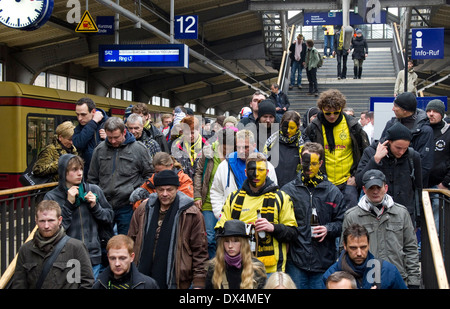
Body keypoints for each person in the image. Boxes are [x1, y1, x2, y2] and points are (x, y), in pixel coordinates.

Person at [215, 152, 297, 274]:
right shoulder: (234, 198)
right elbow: (220, 231)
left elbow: (293, 233)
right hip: (241, 267)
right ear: (245, 172)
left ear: (267, 172)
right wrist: (240, 230)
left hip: (272, 270)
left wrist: (273, 227)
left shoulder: (281, 198)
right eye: (252, 169)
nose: (256, 174)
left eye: (261, 170)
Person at [128, 169, 209, 289]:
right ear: (156, 190)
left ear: (177, 189)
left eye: (169, 190)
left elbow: (200, 251)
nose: (165, 194)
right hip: (143, 276)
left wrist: (199, 282)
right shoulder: (144, 209)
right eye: (161, 190)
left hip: (177, 278)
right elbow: (130, 241)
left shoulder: (191, 214)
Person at [281, 142, 346, 289]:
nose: (309, 167)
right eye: (306, 162)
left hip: (323, 261)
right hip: (296, 261)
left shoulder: (332, 192)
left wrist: (328, 229)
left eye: (314, 163)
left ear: (321, 163)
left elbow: (342, 222)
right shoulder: (288, 191)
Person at [343, 169, 421, 288]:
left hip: (398, 279)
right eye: (371, 188)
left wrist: (414, 282)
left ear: (386, 187)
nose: (375, 191)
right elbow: (343, 252)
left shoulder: (401, 213)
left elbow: (411, 249)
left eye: (378, 188)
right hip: (364, 280)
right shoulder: (352, 216)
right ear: (364, 190)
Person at [44, 154, 114, 278]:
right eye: (74, 170)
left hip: (93, 255)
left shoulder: (93, 190)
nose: (80, 173)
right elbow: (52, 229)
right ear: (63, 173)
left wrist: (95, 207)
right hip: (68, 258)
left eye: (81, 169)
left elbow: (109, 218)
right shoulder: (52, 197)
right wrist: (68, 205)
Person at [304, 89, 370, 210]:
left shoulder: (353, 126)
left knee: (349, 219)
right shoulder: (314, 127)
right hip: (323, 182)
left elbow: (365, 153)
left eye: (336, 112)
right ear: (321, 109)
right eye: (328, 113)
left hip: (348, 183)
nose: (332, 116)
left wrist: (356, 176)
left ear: (341, 109)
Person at [88, 117, 153, 235]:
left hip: (127, 206)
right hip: (104, 205)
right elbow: (93, 177)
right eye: (109, 137)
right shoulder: (100, 150)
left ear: (124, 132)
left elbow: (150, 175)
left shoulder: (139, 149)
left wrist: (139, 193)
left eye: (116, 137)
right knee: (104, 242)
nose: (112, 141)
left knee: (126, 241)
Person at [11, 200, 94, 289]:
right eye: (42, 221)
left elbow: (87, 282)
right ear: (36, 221)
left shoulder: (76, 247)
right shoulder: (26, 249)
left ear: (59, 220)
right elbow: (19, 284)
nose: (46, 226)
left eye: (51, 220)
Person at [356, 122, 422, 225]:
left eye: (405, 148)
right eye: (398, 148)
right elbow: (359, 181)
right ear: (389, 142)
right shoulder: (371, 152)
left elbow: (418, 187)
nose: (401, 152)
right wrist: (376, 159)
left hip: (405, 214)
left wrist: (418, 217)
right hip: (375, 214)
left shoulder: (413, 156)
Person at [210, 130, 278, 219]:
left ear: (254, 146)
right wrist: (220, 214)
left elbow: (273, 193)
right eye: (238, 147)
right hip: (230, 220)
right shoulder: (224, 166)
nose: (241, 151)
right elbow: (216, 191)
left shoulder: (267, 166)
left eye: (245, 147)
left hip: (258, 220)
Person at [194, 128, 236, 258]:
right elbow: (198, 173)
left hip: (229, 202)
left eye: (230, 147)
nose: (227, 151)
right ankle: (213, 264)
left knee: (226, 235)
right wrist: (197, 196)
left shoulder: (236, 157)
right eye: (224, 147)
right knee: (210, 237)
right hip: (208, 202)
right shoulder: (208, 153)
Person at [323, 224, 407, 289]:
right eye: (353, 248)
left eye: (363, 247)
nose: (359, 253)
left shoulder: (387, 271)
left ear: (369, 245)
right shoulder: (331, 275)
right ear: (345, 246)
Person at [380, 91, 434, 188]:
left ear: (405, 110)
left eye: (395, 106)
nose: (393, 109)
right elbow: (380, 148)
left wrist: (409, 185)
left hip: (410, 187)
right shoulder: (391, 124)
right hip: (388, 185)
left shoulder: (425, 130)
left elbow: (425, 164)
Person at [205, 219, 267, 289]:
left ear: (243, 243)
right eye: (227, 241)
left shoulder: (257, 268)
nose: (230, 246)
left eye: (235, 241)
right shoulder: (214, 267)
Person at [93, 235, 159, 289]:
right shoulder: (98, 285)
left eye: (122, 258)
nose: (117, 263)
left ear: (132, 257)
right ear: (108, 257)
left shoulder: (148, 285)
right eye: (112, 258)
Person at [426, 99, 450, 230]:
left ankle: (436, 248)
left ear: (441, 114)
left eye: (435, 111)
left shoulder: (448, 132)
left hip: (439, 186)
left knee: (438, 223)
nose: (431, 114)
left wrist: (445, 183)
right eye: (428, 111)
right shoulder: (422, 130)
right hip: (421, 185)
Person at [264, 110, 305, 188]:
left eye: (292, 128)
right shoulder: (271, 143)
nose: (288, 131)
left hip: (294, 190)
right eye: (285, 127)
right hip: (273, 188)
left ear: (298, 127)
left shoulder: (302, 146)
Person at [72, 97, 108, 176]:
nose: (79, 118)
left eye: (83, 114)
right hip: (88, 174)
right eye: (77, 114)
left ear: (93, 112)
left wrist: (109, 138)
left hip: (106, 173)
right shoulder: (79, 128)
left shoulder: (108, 123)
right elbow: (78, 143)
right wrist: (93, 122)